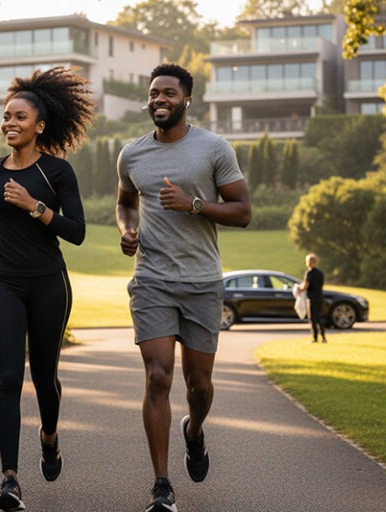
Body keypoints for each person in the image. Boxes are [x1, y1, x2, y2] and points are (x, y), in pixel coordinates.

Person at [116, 63, 252, 512]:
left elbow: (243, 211)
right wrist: (128, 229)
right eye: (154, 93)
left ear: (187, 99)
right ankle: (161, 486)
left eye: (168, 93)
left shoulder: (213, 148)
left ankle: (194, 431)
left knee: (199, 386)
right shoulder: (131, 155)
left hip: (201, 283)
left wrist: (194, 204)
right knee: (157, 377)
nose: (159, 100)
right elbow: (125, 202)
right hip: (153, 279)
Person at [0, 66, 94, 512]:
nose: (9, 123)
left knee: (44, 379)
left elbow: (76, 231)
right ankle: (10, 480)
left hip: (48, 284)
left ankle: (50, 437)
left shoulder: (58, 172)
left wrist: (36, 206)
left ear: (39, 125)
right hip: (2, 283)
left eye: (19, 117)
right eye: (5, 116)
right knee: (9, 379)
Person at [300, 253, 327, 343]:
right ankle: (323, 336)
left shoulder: (308, 273)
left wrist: (299, 289)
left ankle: (315, 337)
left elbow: (305, 286)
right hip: (319, 297)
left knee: (312, 318)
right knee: (319, 317)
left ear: (309, 262)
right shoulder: (320, 273)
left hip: (311, 298)